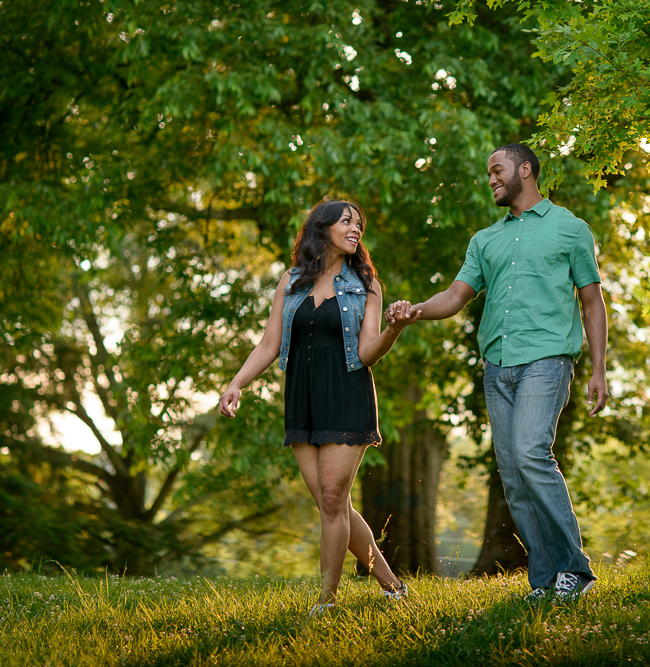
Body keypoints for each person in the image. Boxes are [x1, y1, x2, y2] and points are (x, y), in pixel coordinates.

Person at [386, 143, 609, 602]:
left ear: (524, 170)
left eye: (497, 170)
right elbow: (455, 296)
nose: (490, 179)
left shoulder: (571, 229)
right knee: (512, 472)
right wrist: (416, 312)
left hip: (546, 360)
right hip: (498, 366)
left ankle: (577, 570)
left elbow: (591, 301)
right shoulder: (485, 240)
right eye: (488, 173)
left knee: (530, 452)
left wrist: (599, 369)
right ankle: (546, 580)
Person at [218, 199, 419, 615]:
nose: (356, 229)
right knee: (334, 504)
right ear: (321, 227)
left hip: (348, 394)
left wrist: (395, 330)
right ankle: (393, 586)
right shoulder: (291, 281)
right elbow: (270, 344)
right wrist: (237, 383)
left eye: (359, 224)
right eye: (347, 221)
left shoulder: (366, 285)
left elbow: (366, 352)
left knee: (332, 500)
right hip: (303, 399)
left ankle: (326, 602)